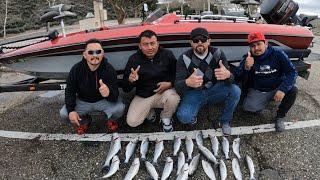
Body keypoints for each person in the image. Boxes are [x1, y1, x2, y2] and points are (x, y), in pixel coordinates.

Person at [175, 27, 241, 135]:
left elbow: (231, 80)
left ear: (209, 41)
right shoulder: (183, 58)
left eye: (203, 39)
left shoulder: (218, 53)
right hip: (194, 92)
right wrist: (187, 82)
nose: (200, 42)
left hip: (214, 89)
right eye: (196, 40)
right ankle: (193, 113)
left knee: (235, 90)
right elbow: (177, 86)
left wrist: (228, 75)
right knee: (184, 117)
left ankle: (225, 121)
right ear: (191, 43)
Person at [233, 32, 298, 132]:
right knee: (248, 108)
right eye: (253, 46)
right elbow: (238, 79)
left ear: (266, 43)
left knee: (293, 89)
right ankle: (264, 102)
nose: (256, 48)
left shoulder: (278, 53)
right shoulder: (247, 58)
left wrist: (283, 89)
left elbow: (292, 72)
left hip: (277, 87)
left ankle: (280, 116)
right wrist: (246, 68)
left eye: (259, 44)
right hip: (259, 90)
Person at [60, 39, 125, 135]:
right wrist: (71, 110)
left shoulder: (109, 69)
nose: (95, 55)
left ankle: (111, 120)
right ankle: (85, 120)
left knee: (120, 108)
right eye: (91, 52)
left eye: (98, 52)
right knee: (64, 114)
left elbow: (115, 95)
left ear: (102, 53)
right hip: (83, 101)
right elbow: (70, 91)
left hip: (103, 101)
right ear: (84, 55)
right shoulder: (76, 69)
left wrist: (108, 93)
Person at [122, 30, 180, 132]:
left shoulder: (167, 55)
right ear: (140, 46)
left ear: (157, 43)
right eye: (145, 44)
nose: (150, 47)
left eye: (152, 43)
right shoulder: (133, 59)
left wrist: (170, 83)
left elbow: (178, 74)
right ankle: (149, 111)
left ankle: (166, 117)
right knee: (132, 122)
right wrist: (131, 80)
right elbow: (126, 88)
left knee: (174, 98)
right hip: (143, 96)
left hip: (164, 93)